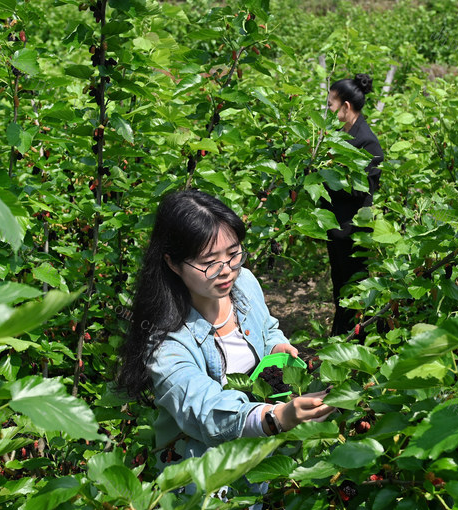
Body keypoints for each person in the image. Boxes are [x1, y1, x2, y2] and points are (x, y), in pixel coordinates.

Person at [117, 190, 334, 462]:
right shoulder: (166, 344)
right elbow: (205, 411)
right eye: (209, 263)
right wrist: (279, 417)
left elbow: (266, 327)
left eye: (233, 254)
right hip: (206, 473)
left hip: (262, 453)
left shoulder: (243, 284)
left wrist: (276, 345)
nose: (226, 270)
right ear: (172, 263)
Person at [323, 73, 384, 336]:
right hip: (336, 227)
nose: (327, 109)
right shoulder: (341, 134)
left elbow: (360, 191)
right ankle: (343, 335)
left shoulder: (367, 142)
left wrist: (330, 171)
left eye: (330, 104)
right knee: (339, 285)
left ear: (346, 107)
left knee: (353, 287)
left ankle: (353, 338)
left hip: (352, 232)